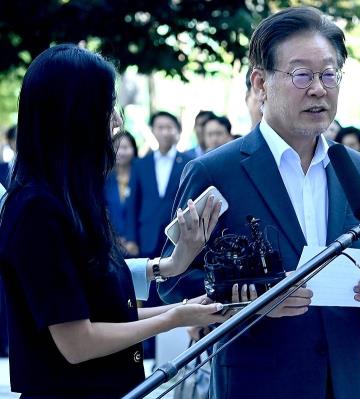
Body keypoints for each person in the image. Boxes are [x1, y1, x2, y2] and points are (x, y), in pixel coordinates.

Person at [158, 7, 360, 399]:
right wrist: (252, 301)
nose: (318, 89)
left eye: (329, 74)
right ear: (261, 83)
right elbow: (173, 282)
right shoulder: (215, 171)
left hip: (349, 382)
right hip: (258, 381)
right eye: (302, 74)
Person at [0, 44, 229, 398]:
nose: (118, 122)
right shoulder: (36, 209)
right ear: (74, 116)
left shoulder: (70, 198)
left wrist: (182, 295)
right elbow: (78, 342)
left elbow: (105, 311)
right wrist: (174, 318)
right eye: (107, 107)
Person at [126, 111, 193, 258]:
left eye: (169, 127)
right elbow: (133, 203)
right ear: (152, 130)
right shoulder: (140, 164)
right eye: (160, 127)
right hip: (146, 236)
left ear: (178, 131)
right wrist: (131, 238)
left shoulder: (189, 162)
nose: (164, 132)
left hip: (177, 236)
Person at [105, 130, 138, 254]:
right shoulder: (106, 179)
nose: (121, 152)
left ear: (134, 149)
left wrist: (132, 239)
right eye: (116, 147)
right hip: (112, 243)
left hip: (138, 244)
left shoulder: (142, 177)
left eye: (125, 147)